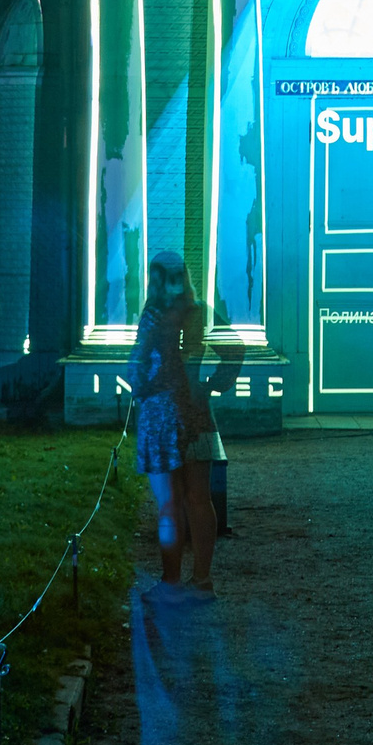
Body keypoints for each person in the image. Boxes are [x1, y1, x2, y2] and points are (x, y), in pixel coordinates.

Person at [128, 252, 221, 592]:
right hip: (196, 413)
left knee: (171, 500)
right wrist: (211, 386)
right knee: (199, 497)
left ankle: (171, 580)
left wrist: (144, 391)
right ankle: (202, 577)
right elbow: (235, 349)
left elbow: (138, 363)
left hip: (164, 415)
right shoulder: (198, 313)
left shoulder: (154, 316)